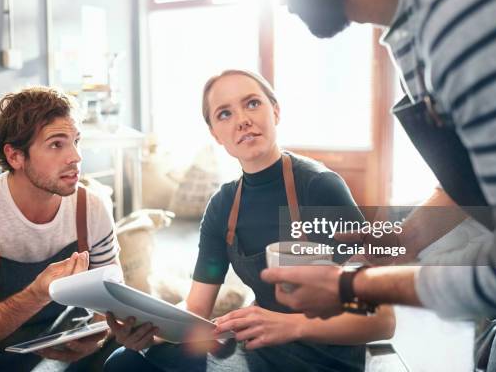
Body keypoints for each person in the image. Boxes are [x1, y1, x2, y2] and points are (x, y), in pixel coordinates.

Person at [253, 0, 496, 370]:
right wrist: (406, 239)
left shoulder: (467, 14)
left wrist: (353, 286)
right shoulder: (414, 27)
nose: (282, 0)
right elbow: (477, 174)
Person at [104, 70, 395, 372]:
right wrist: (150, 332)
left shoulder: (320, 187)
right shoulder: (222, 206)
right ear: (215, 134)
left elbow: (382, 320)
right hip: (259, 352)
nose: (242, 119)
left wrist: (291, 325)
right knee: (124, 363)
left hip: (324, 360)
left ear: (276, 111)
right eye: (225, 113)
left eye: (253, 103)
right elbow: (196, 309)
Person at [0, 87, 121, 371]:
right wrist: (37, 293)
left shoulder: (91, 207)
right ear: (15, 157)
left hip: (59, 346)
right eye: (57, 144)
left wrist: (96, 336)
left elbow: (113, 303)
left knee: (129, 354)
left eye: (76, 141)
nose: (76, 157)